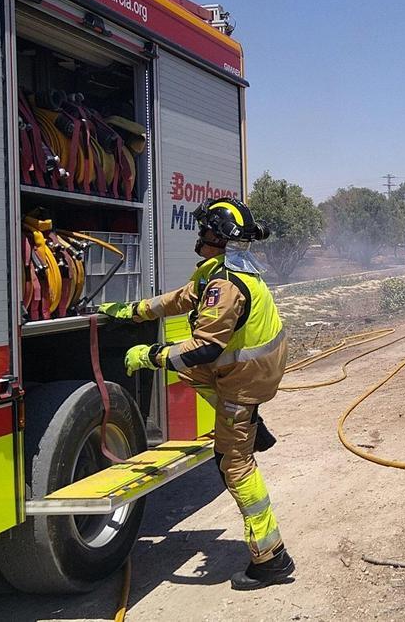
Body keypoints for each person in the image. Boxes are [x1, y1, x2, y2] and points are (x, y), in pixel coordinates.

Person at [99, 197, 293, 590]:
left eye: (204, 230)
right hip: (248, 370)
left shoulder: (225, 285)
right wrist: (135, 311)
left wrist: (151, 355)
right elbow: (183, 298)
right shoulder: (222, 270)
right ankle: (249, 422)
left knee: (233, 463)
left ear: (218, 237)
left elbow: (203, 348)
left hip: (245, 378)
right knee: (190, 375)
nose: (199, 236)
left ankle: (271, 558)